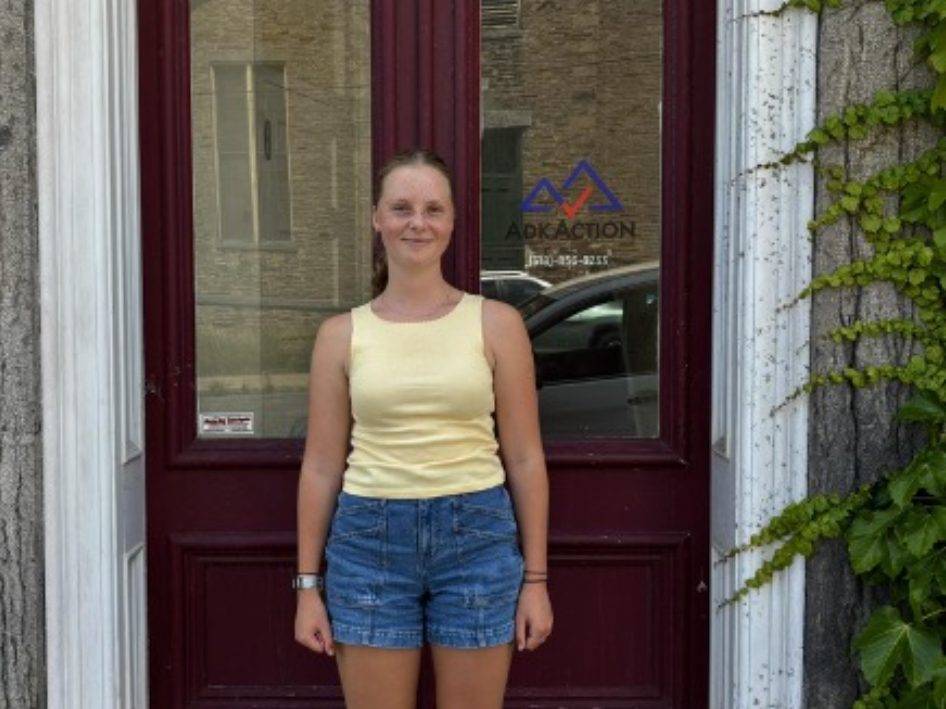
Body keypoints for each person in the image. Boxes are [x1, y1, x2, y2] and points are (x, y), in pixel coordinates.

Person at [293, 148, 553, 708]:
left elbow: (526, 459)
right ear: (376, 218)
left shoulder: (497, 324)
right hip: (367, 541)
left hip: (478, 538)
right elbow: (320, 466)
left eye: (434, 209)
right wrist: (308, 586)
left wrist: (536, 580)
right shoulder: (341, 335)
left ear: (453, 221)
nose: (418, 222)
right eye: (402, 207)